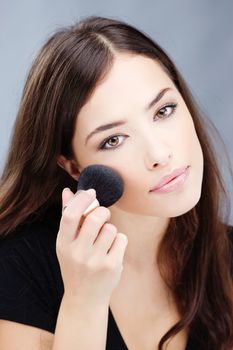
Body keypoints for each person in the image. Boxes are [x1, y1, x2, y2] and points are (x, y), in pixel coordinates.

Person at [0, 15, 232, 350]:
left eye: (164, 111)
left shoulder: (225, 256)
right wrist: (83, 301)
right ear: (74, 167)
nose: (159, 154)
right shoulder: (17, 269)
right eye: (114, 140)